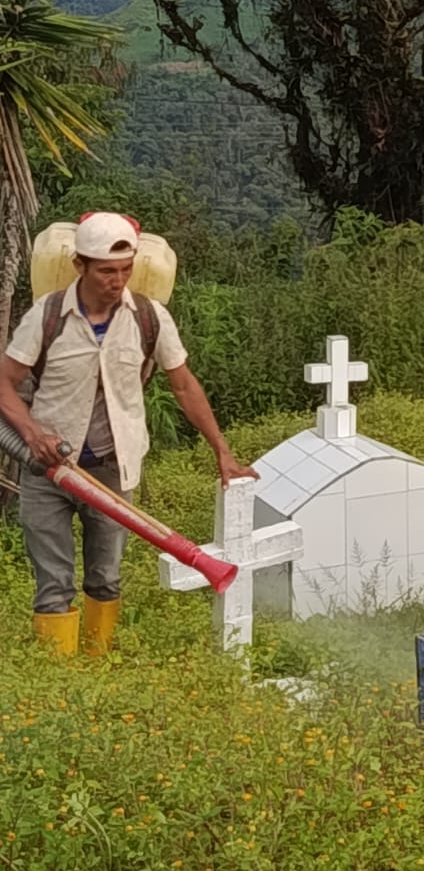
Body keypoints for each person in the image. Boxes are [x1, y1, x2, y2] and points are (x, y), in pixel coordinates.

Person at [0, 212, 257, 655]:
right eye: (106, 271)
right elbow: (4, 382)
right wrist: (33, 434)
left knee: (105, 578)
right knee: (53, 583)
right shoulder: (47, 316)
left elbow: (184, 385)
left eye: (125, 270)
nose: (117, 281)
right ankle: (60, 674)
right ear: (79, 265)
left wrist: (223, 451)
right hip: (47, 471)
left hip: (111, 470)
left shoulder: (149, 318)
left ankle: (96, 665)